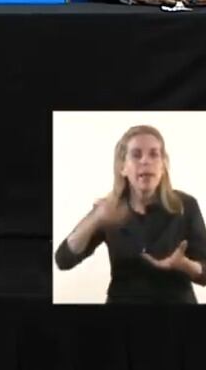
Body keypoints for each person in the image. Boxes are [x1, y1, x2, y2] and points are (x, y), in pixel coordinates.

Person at [55, 125, 206, 303]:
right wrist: (95, 219)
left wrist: (187, 266)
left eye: (154, 154)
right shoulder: (109, 209)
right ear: (122, 168)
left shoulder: (186, 205)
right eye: (136, 155)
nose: (145, 161)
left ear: (163, 165)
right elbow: (63, 260)